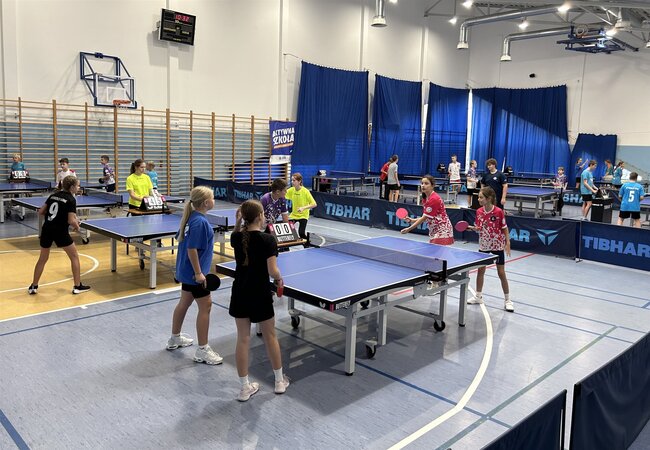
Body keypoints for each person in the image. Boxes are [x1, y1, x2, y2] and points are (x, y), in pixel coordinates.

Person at [229, 200, 290, 402]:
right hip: (260, 292)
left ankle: (244, 388)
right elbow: (273, 270)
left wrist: (237, 222)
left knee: (243, 339)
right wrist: (279, 279)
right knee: (270, 336)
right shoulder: (268, 240)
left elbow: (236, 233)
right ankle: (279, 382)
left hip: (240, 292)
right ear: (260, 216)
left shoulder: (236, 237)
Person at [167, 186, 223, 365]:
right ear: (206, 202)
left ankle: (175, 338)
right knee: (206, 306)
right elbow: (192, 249)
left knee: (184, 302)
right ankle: (203, 350)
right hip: (194, 274)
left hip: (186, 271)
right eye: (212, 198)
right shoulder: (200, 222)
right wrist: (199, 273)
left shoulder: (191, 218)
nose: (214, 200)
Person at [28, 175, 90, 295]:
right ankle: (77, 286)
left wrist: (55, 217)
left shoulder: (53, 195)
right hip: (60, 231)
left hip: (47, 229)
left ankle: (33, 286)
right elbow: (71, 220)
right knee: (74, 257)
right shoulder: (71, 200)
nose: (79, 188)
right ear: (72, 187)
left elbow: (41, 212)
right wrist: (77, 227)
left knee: (42, 259)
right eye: (77, 186)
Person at [466, 186, 513, 312]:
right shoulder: (479, 211)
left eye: (481, 197)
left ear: (489, 198)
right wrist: (472, 228)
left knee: (501, 273)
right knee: (480, 271)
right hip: (484, 245)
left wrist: (507, 242)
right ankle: (478, 296)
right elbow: (479, 228)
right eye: (478, 197)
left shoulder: (498, 211)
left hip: (497, 245)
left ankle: (508, 300)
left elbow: (504, 228)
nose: (478, 199)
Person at [400, 174, 454, 245]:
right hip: (434, 230)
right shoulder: (425, 198)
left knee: (435, 251)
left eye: (426, 183)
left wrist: (409, 229)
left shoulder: (434, 199)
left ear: (432, 186)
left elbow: (424, 218)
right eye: (422, 183)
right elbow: (427, 217)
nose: (423, 185)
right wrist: (412, 220)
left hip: (443, 230)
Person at [285, 173, 317, 241]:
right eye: (292, 180)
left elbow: (314, 204)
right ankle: (289, 245)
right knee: (288, 230)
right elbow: (283, 195)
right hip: (294, 215)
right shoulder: (291, 190)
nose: (292, 182)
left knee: (301, 233)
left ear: (299, 181)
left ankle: (307, 243)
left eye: (294, 180)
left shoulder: (305, 191)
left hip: (303, 215)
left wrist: (303, 208)